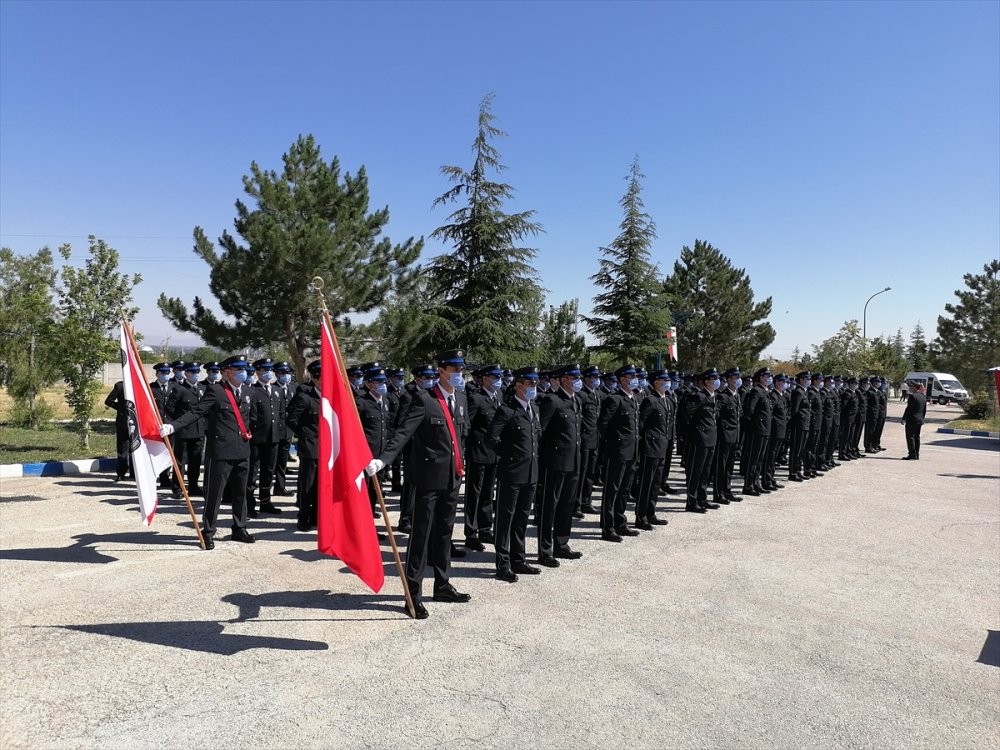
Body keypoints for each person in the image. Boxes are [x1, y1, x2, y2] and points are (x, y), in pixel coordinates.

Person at [367, 349, 471, 620]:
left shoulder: (461, 398)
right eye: (455, 369)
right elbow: (403, 433)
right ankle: (413, 593)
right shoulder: (424, 399)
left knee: (445, 533)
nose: (459, 374)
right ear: (442, 371)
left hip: (452, 477)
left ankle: (442, 584)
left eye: (462, 369)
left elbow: (460, 437)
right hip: (428, 479)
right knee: (421, 537)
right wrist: (383, 460)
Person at [159, 355, 256, 549]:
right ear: (226, 372)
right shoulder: (216, 391)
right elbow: (196, 412)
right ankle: (209, 530)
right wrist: (173, 426)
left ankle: (239, 527)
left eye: (244, 369)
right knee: (214, 494)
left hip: (242, 450)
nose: (243, 373)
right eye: (238, 369)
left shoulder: (248, 391)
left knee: (240, 493)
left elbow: (252, 418)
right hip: (221, 451)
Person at [488, 366, 543, 583]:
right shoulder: (507, 410)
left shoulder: (534, 408)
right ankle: (503, 564)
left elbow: (536, 437)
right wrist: (509, 456)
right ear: (519, 385)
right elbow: (491, 438)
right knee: (505, 519)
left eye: (535, 383)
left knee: (522, 518)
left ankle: (518, 559)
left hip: (530, 473)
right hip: (511, 473)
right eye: (530, 383)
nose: (534, 387)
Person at [537, 364, 584, 563]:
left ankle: (561, 544)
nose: (578, 381)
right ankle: (545, 550)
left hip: (573, 461)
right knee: (549, 507)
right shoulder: (553, 401)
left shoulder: (576, 400)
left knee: (567, 505)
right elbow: (540, 432)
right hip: (555, 462)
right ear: (564, 379)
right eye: (575, 378)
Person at [597, 364, 642, 541]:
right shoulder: (614, 399)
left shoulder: (634, 398)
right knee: (612, 489)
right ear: (622, 380)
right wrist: (614, 443)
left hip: (632, 451)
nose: (635, 380)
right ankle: (608, 527)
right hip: (617, 451)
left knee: (624, 489)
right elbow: (603, 425)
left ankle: (620, 523)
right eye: (632, 377)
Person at [463, 365, 503, 551]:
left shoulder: (499, 396)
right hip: (478, 453)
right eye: (494, 377)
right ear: (485, 379)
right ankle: (471, 533)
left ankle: (485, 529)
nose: (498, 380)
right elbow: (467, 426)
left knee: (488, 492)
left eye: (499, 377)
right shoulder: (476, 398)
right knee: (474, 494)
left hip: (494, 453)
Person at [246, 357, 285, 517]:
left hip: (273, 438)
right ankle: (249, 504)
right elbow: (250, 417)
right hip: (257, 438)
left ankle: (265, 501)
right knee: (252, 472)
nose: (268, 373)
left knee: (268, 471)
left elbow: (280, 414)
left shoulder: (277, 390)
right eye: (265, 370)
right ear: (257, 372)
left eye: (270, 370)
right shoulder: (252, 390)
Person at [356, 365, 396, 519]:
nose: (382, 385)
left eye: (383, 381)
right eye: (378, 382)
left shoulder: (385, 401)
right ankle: (362, 518)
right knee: (365, 487)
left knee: (376, 486)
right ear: (368, 383)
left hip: (381, 452)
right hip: (366, 452)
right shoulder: (361, 402)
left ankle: (370, 513)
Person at [285, 360, 321, 531]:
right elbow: (291, 420)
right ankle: (304, 516)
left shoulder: (332, 398)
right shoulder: (305, 398)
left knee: (321, 485)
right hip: (310, 447)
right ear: (315, 379)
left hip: (328, 450)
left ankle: (316, 516)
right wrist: (305, 435)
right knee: (308, 485)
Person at [635, 369, 671, 528]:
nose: (668, 382)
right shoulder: (650, 400)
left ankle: (651, 513)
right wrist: (645, 441)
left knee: (656, 483)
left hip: (662, 446)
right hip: (651, 446)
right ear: (656, 382)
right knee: (646, 483)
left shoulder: (666, 399)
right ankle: (641, 517)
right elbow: (641, 423)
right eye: (665, 380)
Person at [165, 361, 208, 496]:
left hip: (199, 431)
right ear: (187, 373)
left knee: (195, 460)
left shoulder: (202, 388)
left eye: (197, 372)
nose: (196, 374)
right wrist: (178, 423)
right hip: (183, 432)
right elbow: (169, 409)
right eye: (193, 372)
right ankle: (178, 487)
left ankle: (193, 486)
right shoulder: (179, 389)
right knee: (180, 461)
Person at [684, 369, 721, 513]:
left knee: (706, 471)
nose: (717, 381)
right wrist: (697, 432)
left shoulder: (713, 396)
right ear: (707, 382)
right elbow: (688, 416)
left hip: (711, 438)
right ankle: (691, 502)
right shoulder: (698, 396)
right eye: (714, 379)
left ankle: (702, 499)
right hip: (700, 439)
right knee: (696, 471)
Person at [577, 365, 604, 516]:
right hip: (584, 439)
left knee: (590, 473)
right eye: (594, 377)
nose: (596, 380)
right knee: (581, 472)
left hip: (595, 438)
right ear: (586, 378)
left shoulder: (598, 394)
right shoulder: (581, 395)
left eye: (597, 377)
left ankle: (586, 502)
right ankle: (576, 504)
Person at [741, 367, 773, 497]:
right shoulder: (756, 391)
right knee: (753, 458)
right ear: (760, 377)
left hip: (765, 429)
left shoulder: (766, 391)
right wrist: (756, 424)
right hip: (758, 429)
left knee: (760, 458)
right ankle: (748, 485)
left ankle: (756, 483)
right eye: (767, 376)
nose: (769, 378)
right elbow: (749, 410)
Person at [713, 367, 743, 505]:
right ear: (729, 379)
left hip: (735, 435)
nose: (738, 380)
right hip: (725, 435)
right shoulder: (722, 396)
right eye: (736, 378)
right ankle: (718, 493)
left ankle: (727, 490)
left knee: (730, 465)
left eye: (739, 377)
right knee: (721, 466)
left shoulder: (736, 395)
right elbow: (717, 416)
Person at [272, 362, 295, 497]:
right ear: (277, 374)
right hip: (274, 431)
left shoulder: (293, 388)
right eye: (282, 372)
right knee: (270, 462)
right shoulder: (272, 388)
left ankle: (280, 486)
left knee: (282, 461)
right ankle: (264, 489)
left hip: (287, 431)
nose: (286, 375)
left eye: (287, 372)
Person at [103, 381, 133, 481]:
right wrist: (121, 408)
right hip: (123, 420)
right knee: (122, 447)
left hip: (136, 420)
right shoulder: (120, 386)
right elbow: (108, 401)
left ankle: (134, 472)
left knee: (135, 446)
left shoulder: (139, 384)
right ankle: (121, 472)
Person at [901, 381, 927, 460]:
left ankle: (912, 453)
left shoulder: (912, 396)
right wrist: (922, 418)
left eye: (911, 387)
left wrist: (904, 418)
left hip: (912, 419)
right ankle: (917, 454)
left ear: (915, 388)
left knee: (910, 436)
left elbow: (909, 409)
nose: (909, 388)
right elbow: (924, 410)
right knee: (917, 437)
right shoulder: (923, 397)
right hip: (919, 420)